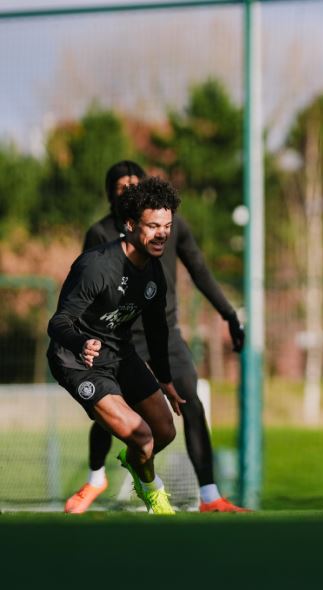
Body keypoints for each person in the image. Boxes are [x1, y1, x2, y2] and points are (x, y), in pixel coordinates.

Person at [64, 161, 248, 514]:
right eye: (122, 187)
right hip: (117, 340)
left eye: (136, 184)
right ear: (112, 196)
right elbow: (82, 295)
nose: (129, 190)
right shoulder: (101, 234)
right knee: (111, 412)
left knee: (190, 402)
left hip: (163, 334)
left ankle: (210, 497)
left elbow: (200, 271)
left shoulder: (170, 226)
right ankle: (96, 477)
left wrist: (229, 315)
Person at [48, 177, 185, 515]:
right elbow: (57, 323)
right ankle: (154, 493)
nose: (162, 233)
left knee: (164, 432)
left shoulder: (154, 273)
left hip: (119, 353)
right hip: (77, 361)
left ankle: (134, 459)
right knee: (143, 437)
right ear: (129, 224)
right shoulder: (96, 266)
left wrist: (165, 379)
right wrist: (81, 342)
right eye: (153, 226)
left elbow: (156, 330)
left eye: (167, 226)